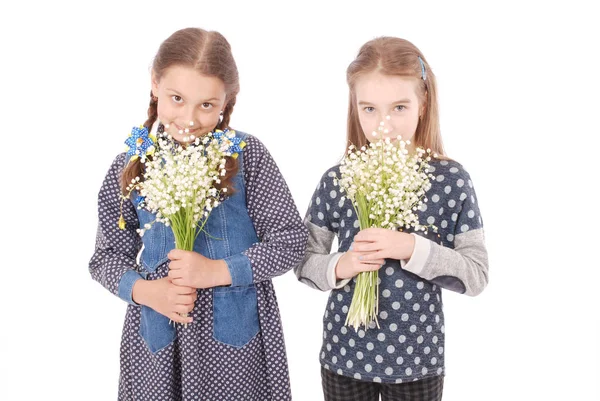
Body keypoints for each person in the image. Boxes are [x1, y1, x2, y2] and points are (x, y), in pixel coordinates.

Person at [89, 27, 307, 401]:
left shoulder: (247, 155)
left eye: (206, 105)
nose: (188, 118)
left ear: (226, 102)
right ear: (154, 84)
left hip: (237, 341)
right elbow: (104, 258)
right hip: (159, 338)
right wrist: (144, 291)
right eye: (176, 98)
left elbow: (290, 241)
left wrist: (217, 271)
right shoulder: (132, 164)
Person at [295, 36, 489, 401]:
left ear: (423, 102)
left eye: (399, 107)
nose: (384, 124)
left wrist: (411, 247)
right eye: (369, 109)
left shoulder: (450, 180)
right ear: (355, 107)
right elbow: (304, 263)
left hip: (418, 360)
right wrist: (343, 264)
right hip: (344, 356)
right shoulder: (338, 179)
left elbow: (476, 275)